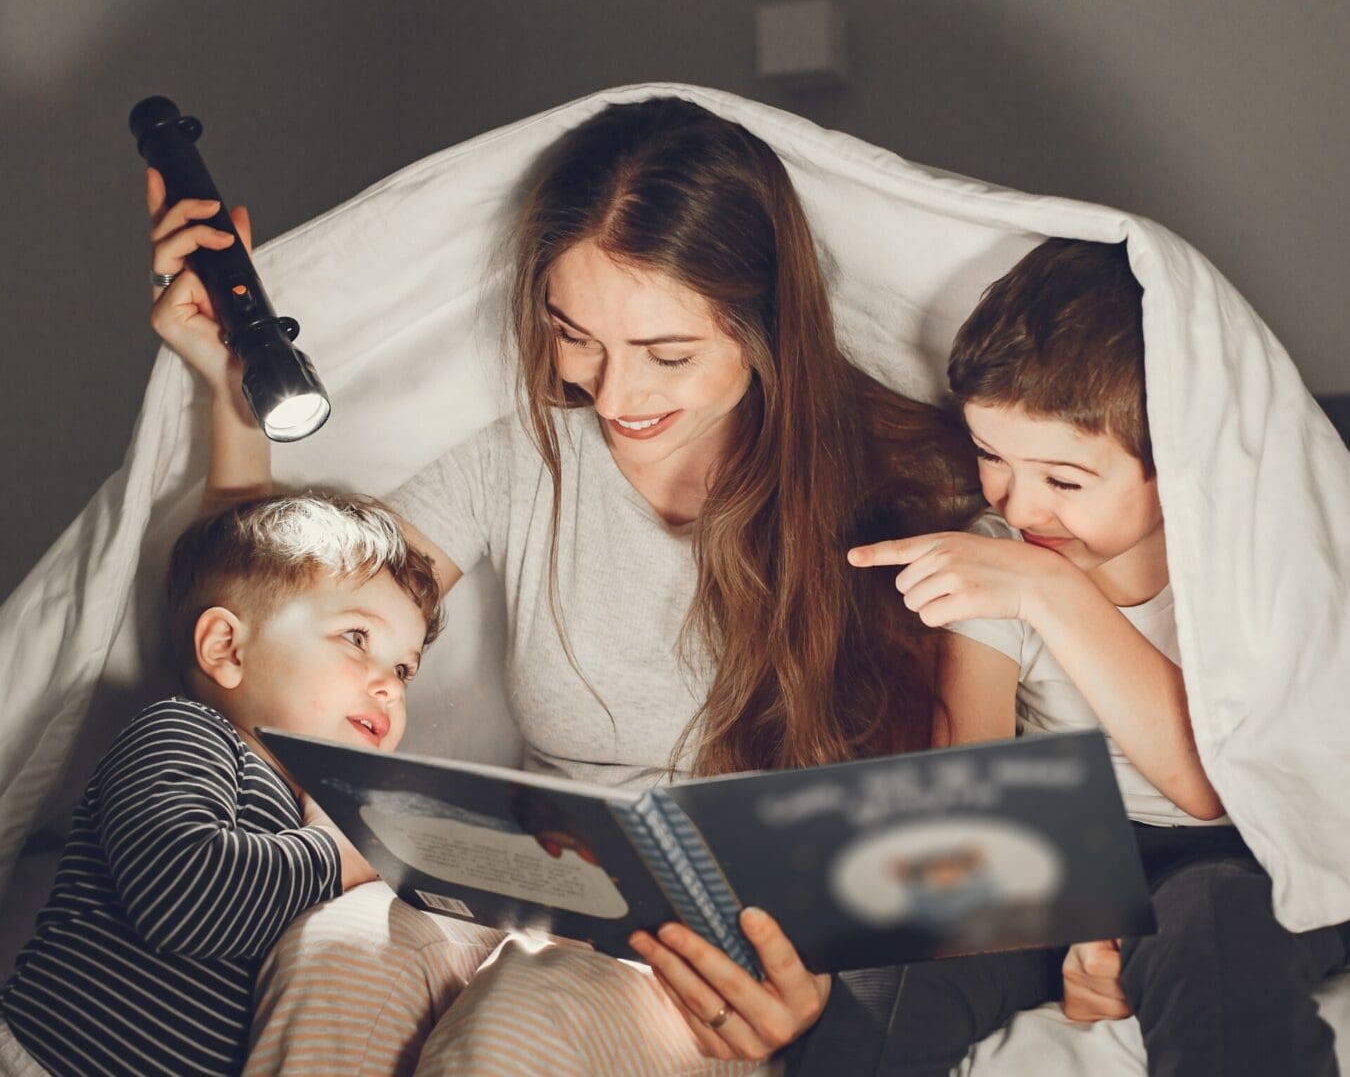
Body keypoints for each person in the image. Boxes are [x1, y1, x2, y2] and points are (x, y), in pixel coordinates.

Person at [145, 99, 1119, 1074]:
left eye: (667, 355)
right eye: (577, 337)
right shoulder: (525, 459)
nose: (613, 397)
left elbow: (969, 822)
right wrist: (230, 390)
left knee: (523, 1020)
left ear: (763, 326)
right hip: (529, 884)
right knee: (337, 950)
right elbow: (273, 619)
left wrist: (828, 1002)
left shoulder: (911, 489)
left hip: (728, 943)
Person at [839, 238, 1349, 1076]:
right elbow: (969, 774)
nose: (1018, 502)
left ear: (1178, 466)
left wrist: (1052, 592)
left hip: (1254, 847)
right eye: (991, 457)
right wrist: (1069, 911)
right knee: (889, 974)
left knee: (1215, 926)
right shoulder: (998, 546)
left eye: (1066, 481)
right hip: (1070, 846)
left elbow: (1211, 783)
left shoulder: (1252, 556)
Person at [0, 491, 443, 1076]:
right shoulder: (189, 733)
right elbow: (177, 894)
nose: (390, 684)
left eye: (405, 669)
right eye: (357, 638)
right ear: (226, 648)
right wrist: (337, 856)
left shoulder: (318, 813)